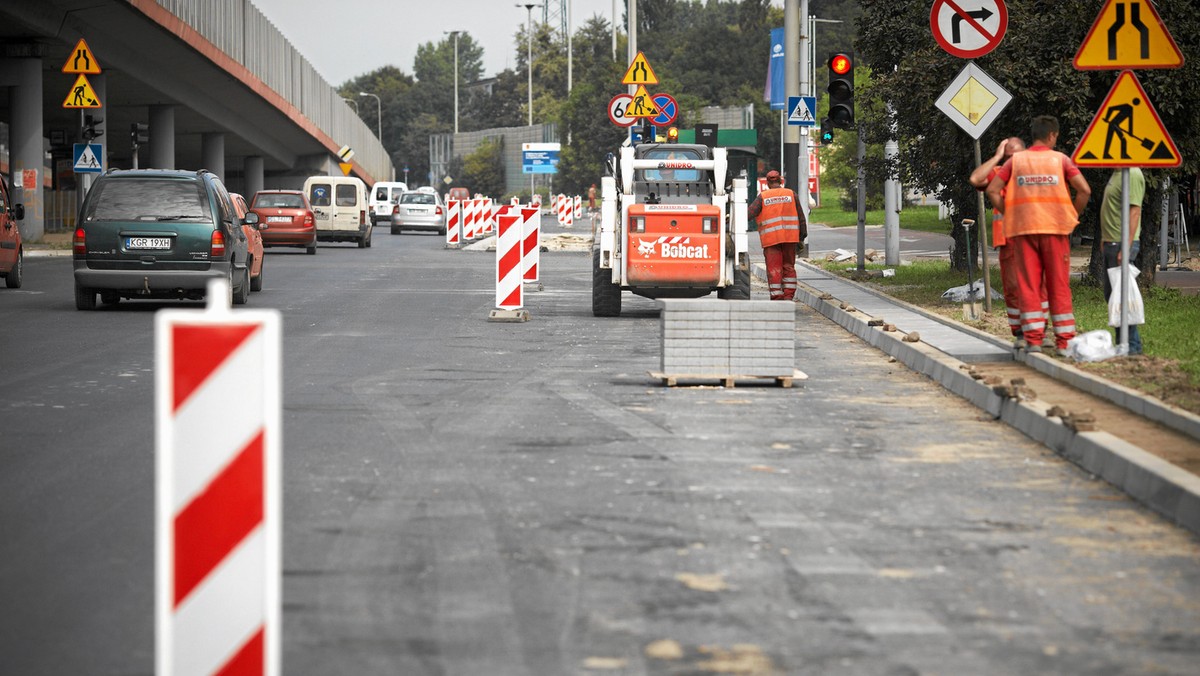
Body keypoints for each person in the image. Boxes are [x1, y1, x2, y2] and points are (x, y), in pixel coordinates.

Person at [986, 115, 1091, 354]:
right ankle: (1064, 342)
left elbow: (993, 190)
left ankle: (1033, 340)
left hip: (1024, 231)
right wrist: (1071, 216)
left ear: (1032, 135)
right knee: (1058, 285)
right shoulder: (1060, 160)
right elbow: (1084, 190)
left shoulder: (1016, 162)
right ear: (1052, 135)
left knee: (1029, 285)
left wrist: (1009, 213)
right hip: (1055, 231)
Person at [969, 136, 1048, 349]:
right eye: (1008, 157)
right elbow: (976, 179)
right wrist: (996, 157)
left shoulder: (1035, 173)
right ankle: (1021, 333)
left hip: (1035, 237)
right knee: (1013, 288)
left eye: (1016, 156)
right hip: (1008, 241)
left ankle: (1041, 331)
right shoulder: (999, 174)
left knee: (1038, 287)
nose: (1012, 161)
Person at [1100, 167, 1145, 355]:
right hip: (1112, 242)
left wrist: (1125, 248)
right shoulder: (1116, 172)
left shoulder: (1132, 173)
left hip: (1121, 242)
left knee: (1123, 298)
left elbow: (1134, 211)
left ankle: (1131, 346)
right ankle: (1123, 344)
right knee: (1114, 297)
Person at [747, 170, 806, 300]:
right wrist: (802, 237)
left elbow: (749, 214)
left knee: (774, 268)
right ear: (781, 181)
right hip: (790, 238)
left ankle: (777, 297)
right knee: (789, 267)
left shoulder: (763, 197)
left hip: (771, 240)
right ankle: (788, 296)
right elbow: (801, 217)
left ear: (767, 183)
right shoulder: (791, 194)